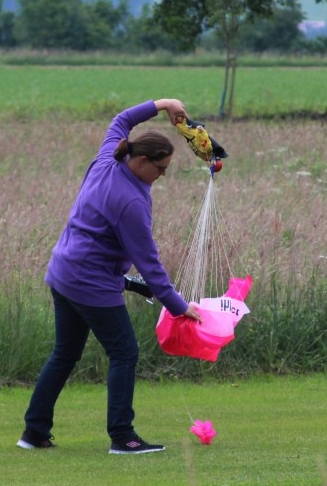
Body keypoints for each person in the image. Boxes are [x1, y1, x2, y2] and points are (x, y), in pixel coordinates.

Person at [18, 98, 203, 455]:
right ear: (142, 161)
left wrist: (164, 103)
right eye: (161, 169)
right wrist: (180, 308)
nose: (162, 176)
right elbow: (150, 264)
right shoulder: (131, 202)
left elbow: (122, 118)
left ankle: (34, 432)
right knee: (124, 353)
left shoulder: (108, 159)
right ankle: (123, 437)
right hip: (89, 283)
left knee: (64, 354)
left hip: (63, 272)